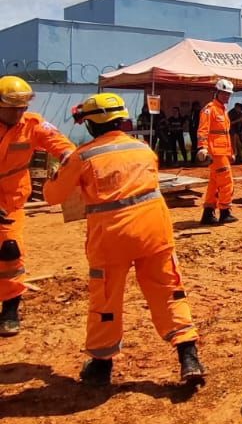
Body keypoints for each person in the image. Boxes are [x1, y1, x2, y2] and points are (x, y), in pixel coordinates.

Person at [43, 93, 205, 386]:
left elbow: (53, 196)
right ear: (122, 121)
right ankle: (188, 355)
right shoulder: (143, 149)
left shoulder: (83, 156)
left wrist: (57, 174)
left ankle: (101, 364)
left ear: (91, 124)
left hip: (111, 239)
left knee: (106, 299)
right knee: (168, 290)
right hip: (154, 231)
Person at [0, 76, 75, 336]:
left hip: (11, 201)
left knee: (10, 252)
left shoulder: (32, 124)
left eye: (22, 107)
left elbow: (62, 145)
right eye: (12, 108)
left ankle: (10, 309)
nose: (18, 113)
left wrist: (68, 160)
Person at [197, 79, 239, 225]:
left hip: (223, 153)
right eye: (225, 93)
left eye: (229, 94)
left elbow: (225, 134)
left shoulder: (223, 110)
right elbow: (203, 130)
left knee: (214, 183)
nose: (227, 96)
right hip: (215, 153)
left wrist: (230, 152)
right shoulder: (209, 110)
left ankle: (208, 214)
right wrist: (202, 147)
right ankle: (225, 212)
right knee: (227, 181)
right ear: (217, 92)